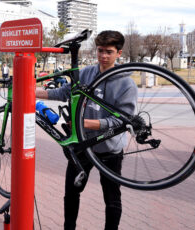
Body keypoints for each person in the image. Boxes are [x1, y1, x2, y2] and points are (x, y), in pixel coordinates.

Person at [36, 30, 138, 230]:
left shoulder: (126, 83)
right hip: (82, 145)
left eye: (109, 51)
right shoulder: (86, 73)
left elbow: (124, 121)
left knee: (112, 199)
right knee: (71, 193)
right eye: (100, 50)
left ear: (119, 53)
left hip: (109, 149)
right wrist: (31, 92)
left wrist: (86, 124)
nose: (103, 56)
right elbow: (63, 92)